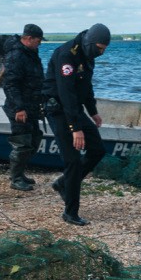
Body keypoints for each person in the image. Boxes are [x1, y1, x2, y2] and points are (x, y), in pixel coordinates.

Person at [42, 23, 110, 226]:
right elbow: (66, 93)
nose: (101, 53)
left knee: (97, 150)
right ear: (90, 43)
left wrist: (93, 111)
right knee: (72, 160)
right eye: (99, 48)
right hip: (58, 109)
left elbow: (85, 86)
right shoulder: (66, 55)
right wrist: (76, 128)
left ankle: (64, 184)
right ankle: (70, 212)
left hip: (74, 109)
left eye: (104, 49)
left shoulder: (87, 56)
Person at [2, 23, 45, 192]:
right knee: (22, 142)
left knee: (35, 138)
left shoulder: (30, 53)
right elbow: (10, 84)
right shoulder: (16, 56)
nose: (40, 44)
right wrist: (19, 108)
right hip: (19, 107)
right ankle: (16, 178)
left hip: (32, 105)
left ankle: (20, 172)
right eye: (38, 40)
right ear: (28, 39)